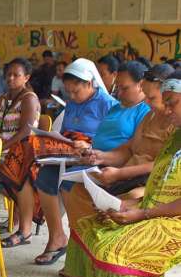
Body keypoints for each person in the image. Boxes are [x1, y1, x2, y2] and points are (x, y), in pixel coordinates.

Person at [63, 76, 181, 277]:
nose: (166, 109)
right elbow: (161, 180)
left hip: (172, 220)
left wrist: (143, 213)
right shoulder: (177, 135)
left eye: (172, 103)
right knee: (90, 227)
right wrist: (133, 206)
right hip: (157, 210)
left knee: (117, 253)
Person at [30, 60, 150, 265]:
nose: (119, 93)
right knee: (45, 175)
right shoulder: (118, 108)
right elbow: (110, 143)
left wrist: (102, 159)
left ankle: (83, 255)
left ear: (141, 85)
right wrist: (93, 152)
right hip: (98, 158)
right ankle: (66, 244)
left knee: (71, 185)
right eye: (117, 87)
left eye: (124, 88)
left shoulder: (143, 112)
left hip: (122, 168)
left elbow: (132, 151)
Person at [0, 58, 116, 249]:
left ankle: (58, 237)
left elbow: (112, 139)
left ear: (89, 83)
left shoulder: (107, 104)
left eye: (76, 91)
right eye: (68, 92)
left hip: (92, 155)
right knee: (37, 174)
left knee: (36, 156)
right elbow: (65, 130)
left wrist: (87, 144)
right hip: (69, 151)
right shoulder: (72, 103)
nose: (72, 96)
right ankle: (55, 236)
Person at [61, 63, 176, 250]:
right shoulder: (150, 116)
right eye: (145, 96)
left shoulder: (174, 124)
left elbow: (162, 164)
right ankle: (86, 252)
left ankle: (108, 253)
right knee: (78, 192)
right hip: (128, 176)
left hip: (149, 183)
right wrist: (101, 157)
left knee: (128, 200)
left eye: (151, 97)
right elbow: (129, 148)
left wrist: (119, 174)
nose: (146, 102)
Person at [0, 57, 40, 148]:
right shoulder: (2, 99)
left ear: (26, 78)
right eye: (8, 74)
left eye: (16, 75)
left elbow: (25, 133)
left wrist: (0, 149)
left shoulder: (29, 99)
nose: (11, 78)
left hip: (17, 152)